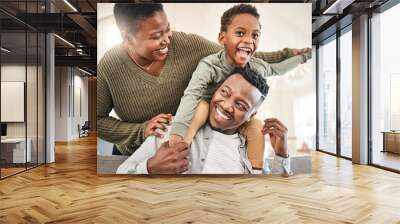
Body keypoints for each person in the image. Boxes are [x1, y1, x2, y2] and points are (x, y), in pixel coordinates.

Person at [97, 3, 310, 156]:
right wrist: (140, 131)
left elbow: (235, 54)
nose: (166, 40)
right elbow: (97, 120)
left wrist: (289, 54)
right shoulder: (109, 67)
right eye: (155, 36)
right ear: (127, 37)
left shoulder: (189, 45)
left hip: (179, 148)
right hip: (131, 153)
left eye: (168, 29)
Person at [169, 4, 310, 170]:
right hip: (207, 108)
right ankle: (178, 151)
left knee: (257, 126)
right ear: (222, 38)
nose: (248, 40)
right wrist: (178, 131)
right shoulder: (210, 65)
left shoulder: (256, 66)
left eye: (255, 35)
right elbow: (192, 94)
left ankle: (255, 173)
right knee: (201, 106)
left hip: (231, 119)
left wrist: (302, 57)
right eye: (240, 33)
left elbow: (276, 68)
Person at [117, 67, 292, 175]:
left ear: (251, 116)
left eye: (241, 105)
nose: (227, 106)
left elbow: (268, 195)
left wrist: (282, 154)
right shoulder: (174, 129)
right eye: (225, 93)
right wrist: (149, 168)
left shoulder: (252, 149)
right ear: (216, 91)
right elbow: (121, 173)